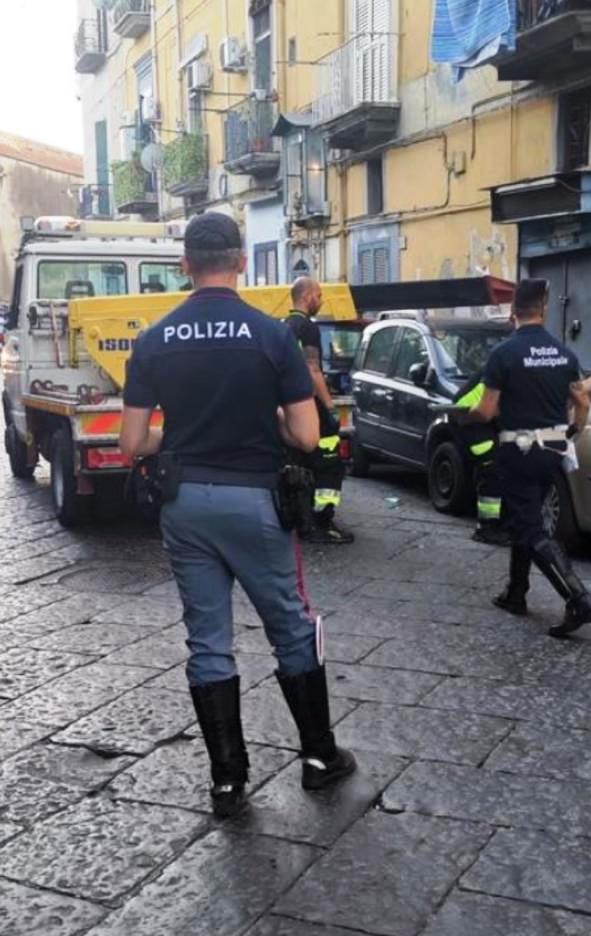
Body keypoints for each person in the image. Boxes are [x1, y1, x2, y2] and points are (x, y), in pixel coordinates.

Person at [119, 214, 357, 819]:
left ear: (185, 265)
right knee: (291, 627)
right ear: (242, 262)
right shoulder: (271, 335)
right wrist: (265, 422)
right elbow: (306, 435)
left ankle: (227, 781)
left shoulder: (154, 340)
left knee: (208, 640)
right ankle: (319, 757)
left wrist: (183, 433)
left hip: (185, 505)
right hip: (255, 501)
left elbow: (131, 443)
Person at [467, 279, 591, 637]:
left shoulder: (505, 354)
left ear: (513, 313)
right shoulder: (564, 354)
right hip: (554, 448)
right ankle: (516, 592)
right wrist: (573, 432)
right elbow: (584, 402)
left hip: (519, 448)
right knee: (524, 518)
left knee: (529, 526)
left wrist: (465, 415)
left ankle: (579, 598)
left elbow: (486, 409)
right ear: (543, 310)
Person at [286, 277, 355, 545]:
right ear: (307, 297)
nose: (321, 300)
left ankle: (302, 522)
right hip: (312, 407)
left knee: (299, 464)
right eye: (319, 295)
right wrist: (329, 406)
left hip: (292, 407)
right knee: (328, 463)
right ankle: (322, 522)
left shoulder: (283, 327)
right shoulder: (307, 328)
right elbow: (312, 369)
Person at [453, 369, 509, 546]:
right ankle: (487, 528)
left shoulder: (510, 366)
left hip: (482, 420)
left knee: (497, 469)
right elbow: (488, 409)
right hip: (471, 421)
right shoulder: (501, 372)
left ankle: (495, 523)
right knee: (492, 468)